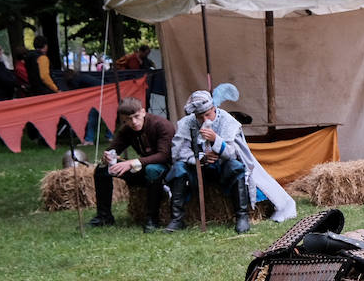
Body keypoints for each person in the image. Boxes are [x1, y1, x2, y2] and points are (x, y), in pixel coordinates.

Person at [165, 90, 256, 233]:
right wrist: (200, 158)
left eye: (208, 114)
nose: (205, 120)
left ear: (214, 108)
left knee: (236, 167)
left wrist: (216, 141)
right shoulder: (187, 123)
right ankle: (177, 219)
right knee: (178, 168)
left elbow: (233, 153)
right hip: (196, 169)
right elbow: (178, 152)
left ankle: (242, 217)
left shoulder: (227, 121)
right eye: (200, 117)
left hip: (221, 168)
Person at [89, 98, 175, 233]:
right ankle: (104, 216)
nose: (133, 122)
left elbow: (164, 155)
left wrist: (132, 163)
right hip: (143, 168)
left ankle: (152, 219)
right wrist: (108, 157)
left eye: (136, 117)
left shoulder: (161, 125)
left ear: (143, 112)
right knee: (102, 169)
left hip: (166, 170)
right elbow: (114, 148)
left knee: (153, 169)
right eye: (128, 119)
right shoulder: (127, 130)